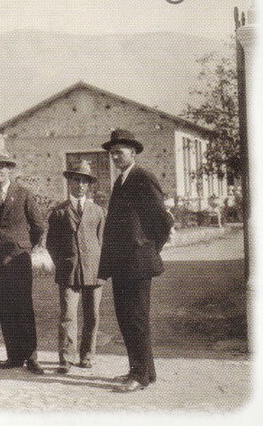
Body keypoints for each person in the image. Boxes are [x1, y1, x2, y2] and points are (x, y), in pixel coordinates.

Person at [98, 129, 174, 392]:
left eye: (120, 152)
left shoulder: (143, 178)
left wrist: (148, 248)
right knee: (126, 318)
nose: (115, 156)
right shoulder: (121, 181)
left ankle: (139, 377)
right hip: (121, 263)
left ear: (133, 152)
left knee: (136, 318)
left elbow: (162, 220)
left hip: (137, 263)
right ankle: (144, 371)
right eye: (112, 152)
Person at [0, 149, 45, 375]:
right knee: (4, 308)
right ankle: (14, 356)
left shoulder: (23, 193)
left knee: (23, 307)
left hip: (18, 261)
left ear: (9, 169)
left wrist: (23, 246)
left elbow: (38, 226)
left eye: (2, 168)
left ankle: (32, 357)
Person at [46, 160, 105, 374]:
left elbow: (102, 240)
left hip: (94, 271)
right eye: (76, 180)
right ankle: (66, 358)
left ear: (89, 185)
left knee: (92, 315)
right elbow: (51, 243)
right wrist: (63, 262)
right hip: (68, 272)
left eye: (84, 181)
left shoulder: (97, 211)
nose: (79, 185)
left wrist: (100, 265)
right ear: (69, 182)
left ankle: (87, 355)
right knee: (68, 315)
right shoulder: (59, 211)